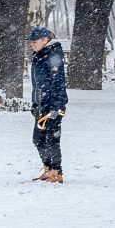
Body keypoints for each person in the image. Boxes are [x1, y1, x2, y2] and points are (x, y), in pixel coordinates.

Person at [28, 26, 68, 183]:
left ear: (45, 40)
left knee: (52, 140)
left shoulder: (53, 56)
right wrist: (35, 103)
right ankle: (48, 168)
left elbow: (58, 84)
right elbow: (38, 85)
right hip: (41, 105)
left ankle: (57, 172)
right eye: (31, 42)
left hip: (53, 106)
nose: (32, 44)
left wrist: (55, 107)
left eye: (35, 41)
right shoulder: (39, 56)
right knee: (38, 139)